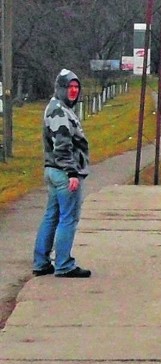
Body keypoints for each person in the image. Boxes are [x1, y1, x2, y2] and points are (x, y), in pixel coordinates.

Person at [33, 69, 91, 278]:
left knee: (52, 216)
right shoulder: (59, 111)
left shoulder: (57, 107)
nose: (74, 91)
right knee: (68, 219)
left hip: (53, 171)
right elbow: (63, 146)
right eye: (70, 87)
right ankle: (64, 264)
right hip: (64, 173)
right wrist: (72, 173)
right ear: (60, 88)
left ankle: (41, 262)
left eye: (76, 87)